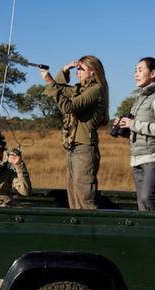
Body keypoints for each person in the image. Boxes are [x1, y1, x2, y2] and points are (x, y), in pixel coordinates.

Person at [40, 55, 109, 210]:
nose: (77, 72)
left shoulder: (95, 90)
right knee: (73, 194)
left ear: (93, 72)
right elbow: (61, 89)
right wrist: (64, 70)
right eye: (77, 68)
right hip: (73, 146)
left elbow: (68, 107)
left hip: (84, 148)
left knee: (84, 197)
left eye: (81, 69)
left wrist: (50, 81)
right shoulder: (81, 89)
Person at [114, 57, 155, 211]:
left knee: (147, 197)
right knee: (141, 203)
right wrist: (124, 127)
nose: (136, 74)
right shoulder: (139, 98)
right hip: (136, 158)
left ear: (152, 73)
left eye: (140, 70)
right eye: (135, 71)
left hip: (152, 157)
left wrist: (134, 124)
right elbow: (138, 130)